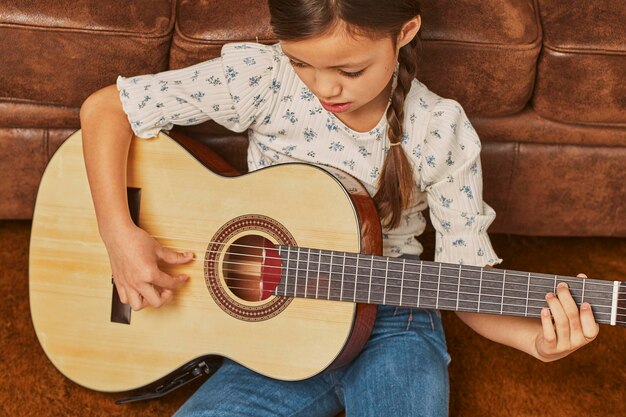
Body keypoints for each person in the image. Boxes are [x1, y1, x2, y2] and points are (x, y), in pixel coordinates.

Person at [79, 1, 600, 415]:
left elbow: (465, 284)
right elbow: (106, 108)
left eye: (349, 69)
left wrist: (539, 342)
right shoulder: (265, 79)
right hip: (270, 328)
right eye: (302, 61)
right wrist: (119, 234)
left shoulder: (438, 130)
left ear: (404, 31)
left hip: (394, 320)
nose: (324, 87)